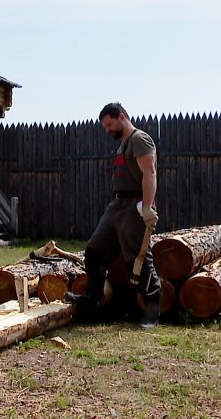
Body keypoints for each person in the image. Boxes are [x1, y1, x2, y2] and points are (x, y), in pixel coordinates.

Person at [64, 102, 162, 328]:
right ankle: (92, 299)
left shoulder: (139, 139)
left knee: (138, 260)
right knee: (94, 252)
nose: (107, 130)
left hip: (134, 206)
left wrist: (147, 207)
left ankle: (152, 312)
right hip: (116, 206)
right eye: (105, 127)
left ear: (121, 116)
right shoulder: (123, 144)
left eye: (109, 124)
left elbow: (150, 172)